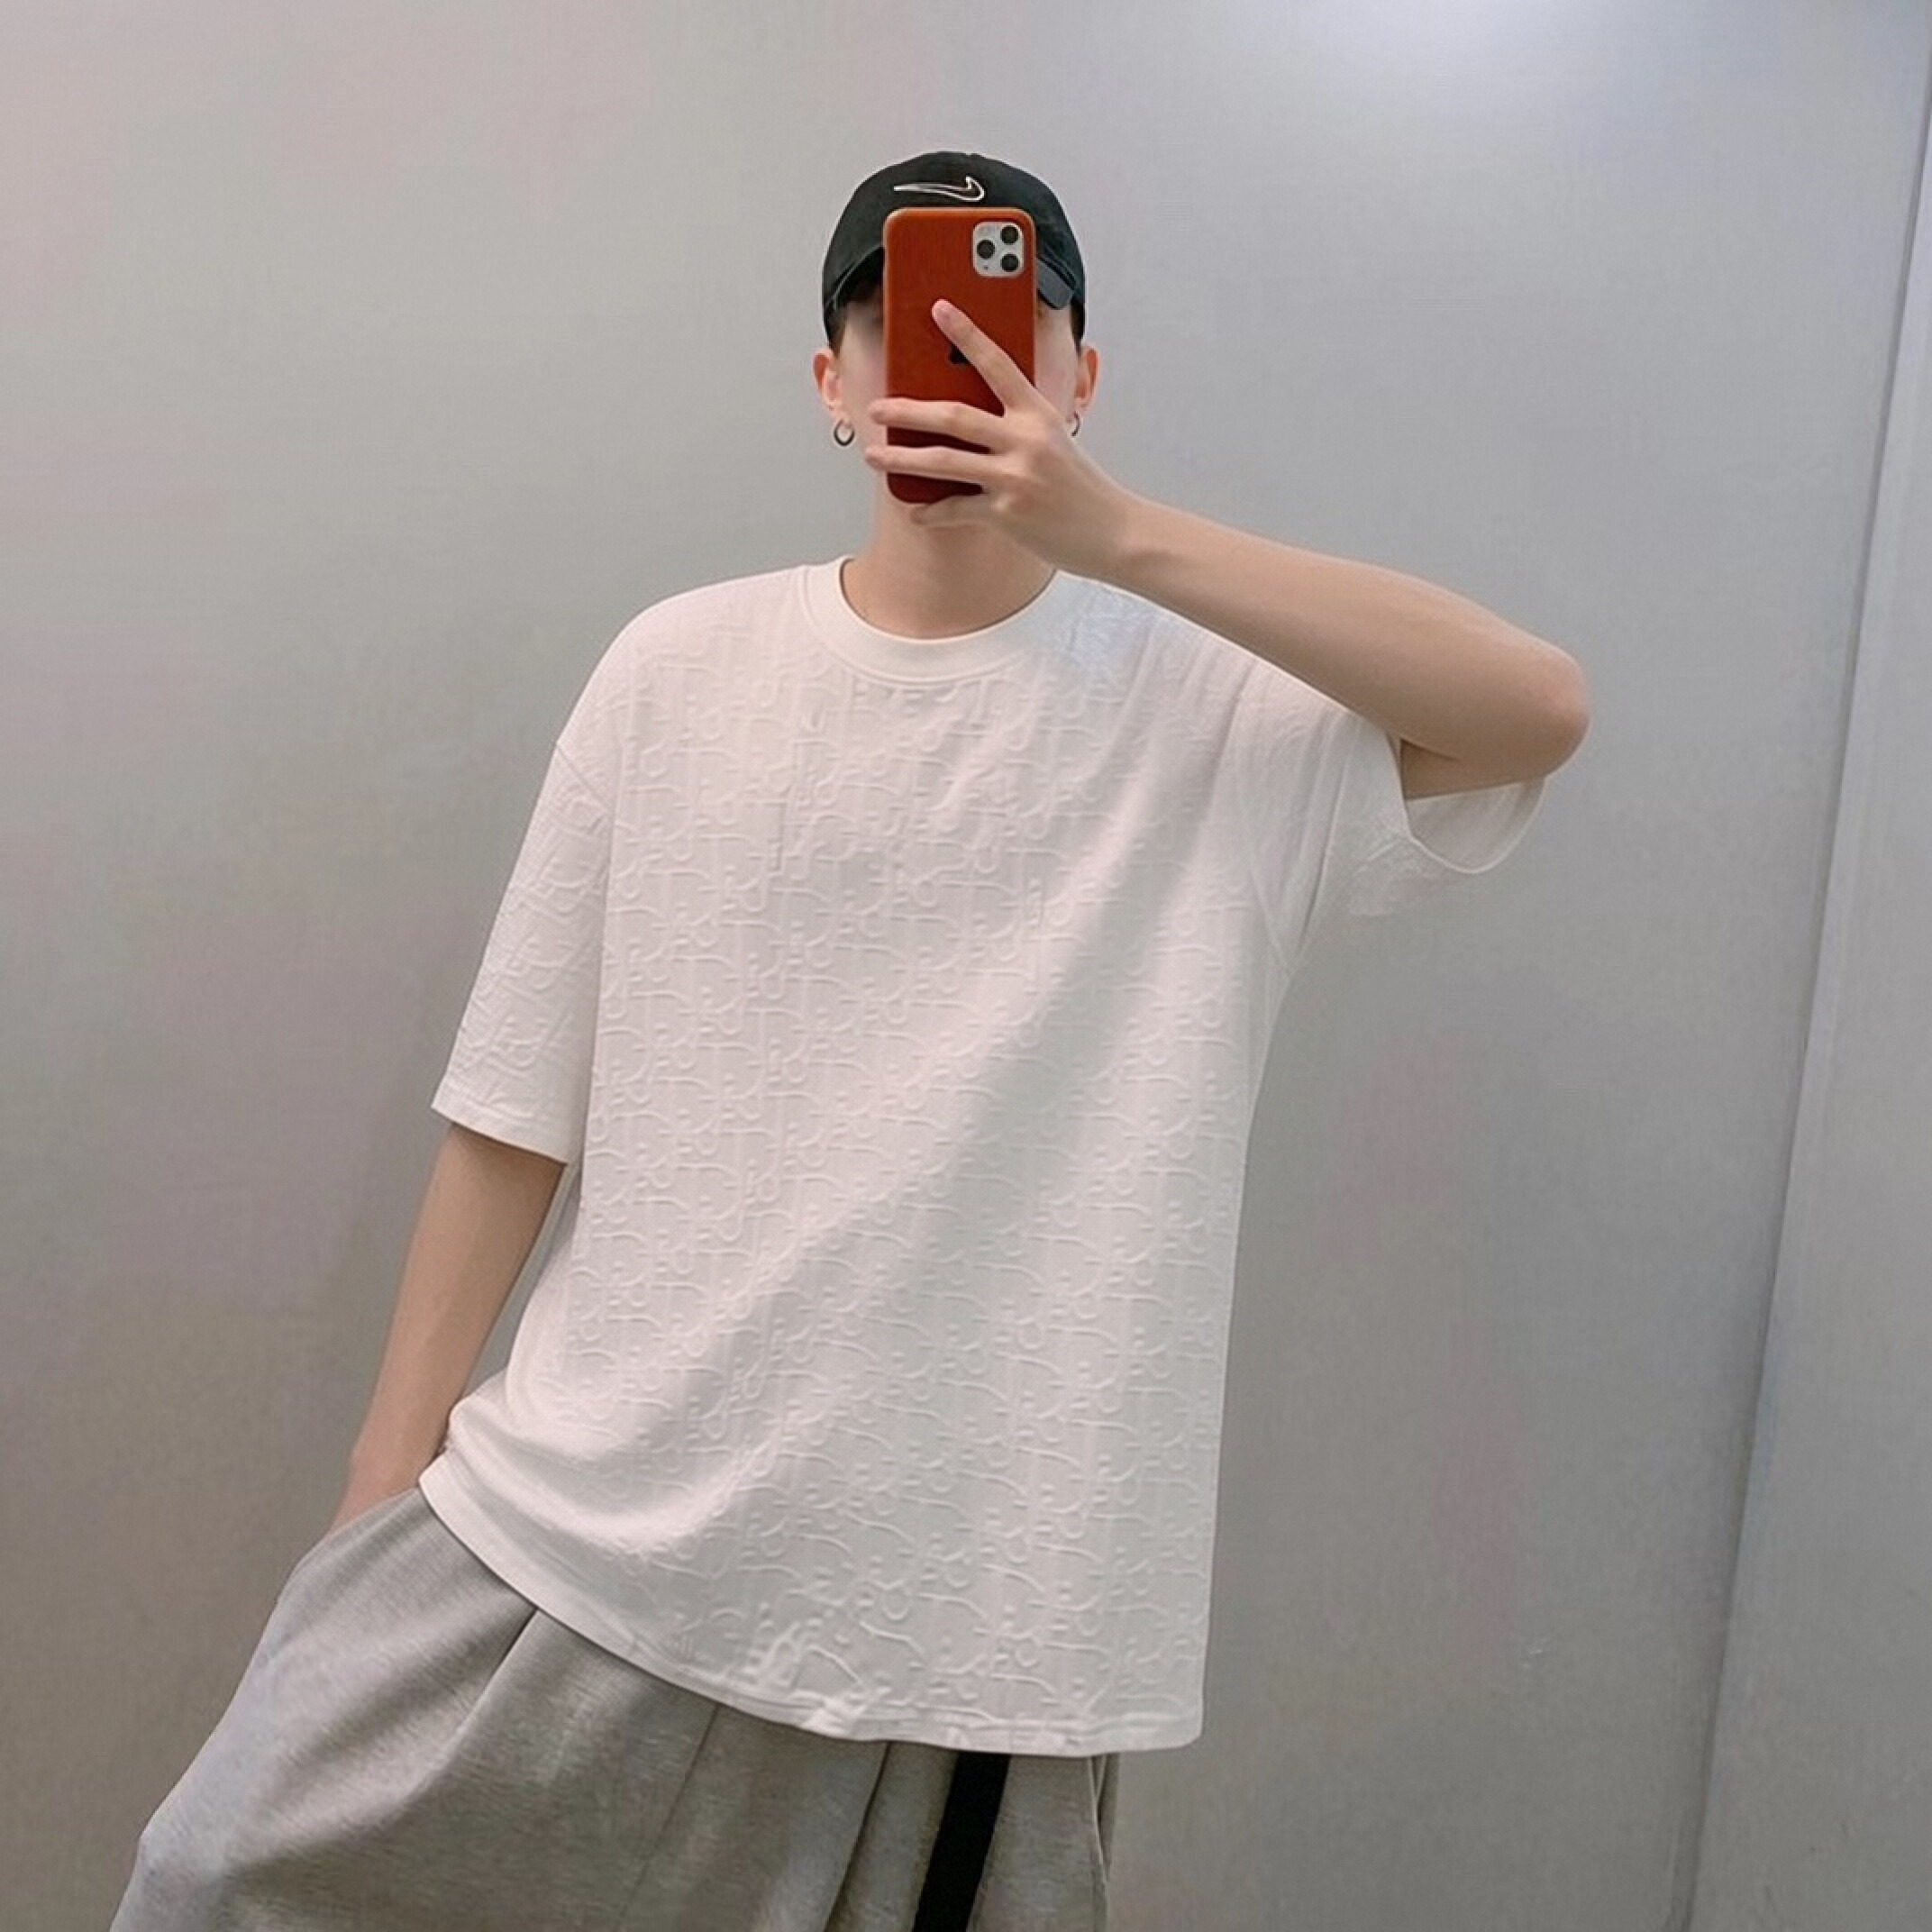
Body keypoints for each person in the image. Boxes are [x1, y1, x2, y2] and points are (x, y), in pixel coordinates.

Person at [110, 149, 1588, 1931]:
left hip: (974, 1631)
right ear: (831, 382)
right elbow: (516, 1102)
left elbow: (1533, 709)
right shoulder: (677, 669)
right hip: (584, 1536)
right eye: (894, 330)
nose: (945, 363)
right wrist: (379, 1487)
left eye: (1005, 325)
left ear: (1080, 379)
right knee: (218, 1881)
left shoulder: (1214, 709)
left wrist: (1112, 532)